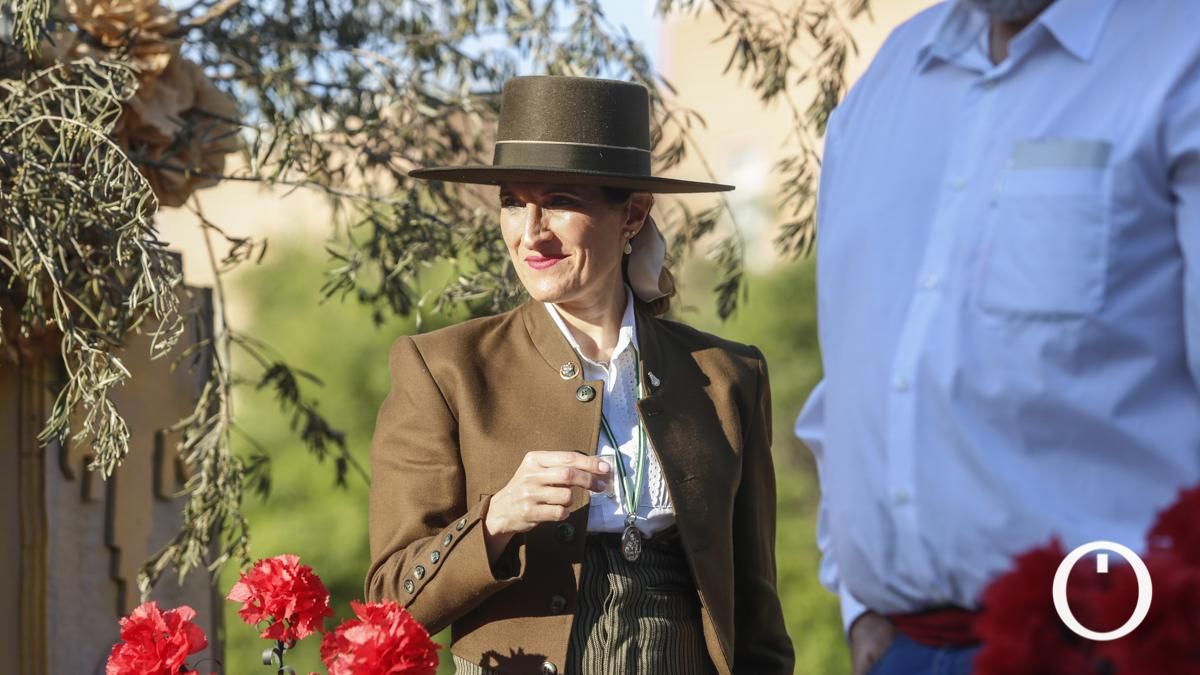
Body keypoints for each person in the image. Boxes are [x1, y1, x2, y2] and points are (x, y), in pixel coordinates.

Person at [797, 0, 1200, 673]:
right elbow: (857, 370)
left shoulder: (1181, 51)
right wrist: (859, 604)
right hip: (903, 647)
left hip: (1119, 647)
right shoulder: (888, 78)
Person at [365, 75, 794, 675]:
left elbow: (756, 607)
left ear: (633, 214)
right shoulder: (443, 368)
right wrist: (495, 520)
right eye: (512, 203)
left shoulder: (729, 375)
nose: (530, 232)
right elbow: (389, 600)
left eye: (560, 201)